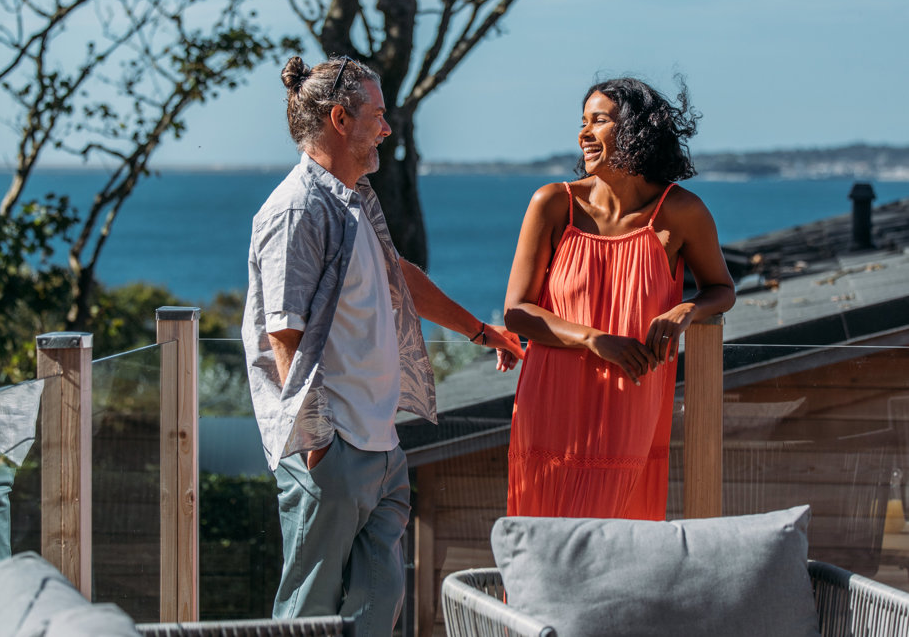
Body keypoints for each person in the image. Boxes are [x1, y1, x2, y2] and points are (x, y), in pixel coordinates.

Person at [242, 55, 523, 634]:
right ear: (340, 119)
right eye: (378, 115)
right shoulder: (297, 209)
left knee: (378, 605)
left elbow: (400, 276)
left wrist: (480, 329)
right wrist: (319, 441)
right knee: (307, 613)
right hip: (332, 448)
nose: (388, 129)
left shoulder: (351, 198)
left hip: (380, 446)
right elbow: (283, 333)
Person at [503, 77, 735, 520]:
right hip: (550, 405)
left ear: (635, 130)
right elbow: (517, 313)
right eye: (582, 122)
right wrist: (595, 339)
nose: (583, 134)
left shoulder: (682, 212)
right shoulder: (553, 204)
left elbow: (721, 290)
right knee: (544, 547)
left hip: (630, 405)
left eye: (599, 121)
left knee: (615, 549)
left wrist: (688, 309)